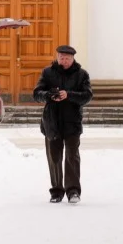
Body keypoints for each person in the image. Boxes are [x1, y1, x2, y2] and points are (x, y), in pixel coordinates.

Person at [33, 45, 93, 204]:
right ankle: (56, 191)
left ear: (73, 59)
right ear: (57, 57)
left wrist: (69, 95)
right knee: (54, 157)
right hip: (52, 121)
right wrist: (48, 95)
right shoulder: (47, 73)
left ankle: (73, 191)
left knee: (72, 157)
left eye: (67, 58)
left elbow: (87, 96)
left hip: (72, 122)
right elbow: (37, 93)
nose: (63, 60)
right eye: (61, 57)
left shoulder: (82, 75)